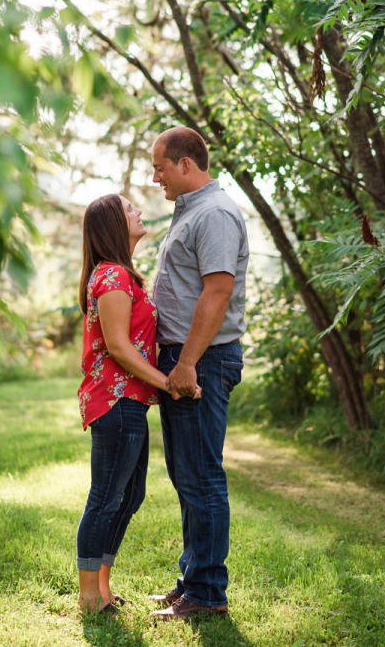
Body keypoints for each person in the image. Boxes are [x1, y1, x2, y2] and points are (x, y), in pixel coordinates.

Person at [149, 126, 249, 621]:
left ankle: (208, 594)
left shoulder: (215, 213)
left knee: (202, 477)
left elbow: (217, 292)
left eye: (160, 167)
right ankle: (193, 578)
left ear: (186, 163)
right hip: (183, 358)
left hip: (202, 360)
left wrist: (187, 362)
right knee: (186, 475)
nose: (155, 177)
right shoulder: (191, 211)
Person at [76, 193, 174, 615]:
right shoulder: (113, 276)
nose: (137, 211)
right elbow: (117, 346)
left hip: (130, 400)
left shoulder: (123, 274)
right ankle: (87, 596)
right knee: (106, 496)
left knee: (130, 494)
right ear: (114, 224)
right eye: (129, 208)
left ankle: (103, 587)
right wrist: (167, 383)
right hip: (116, 400)